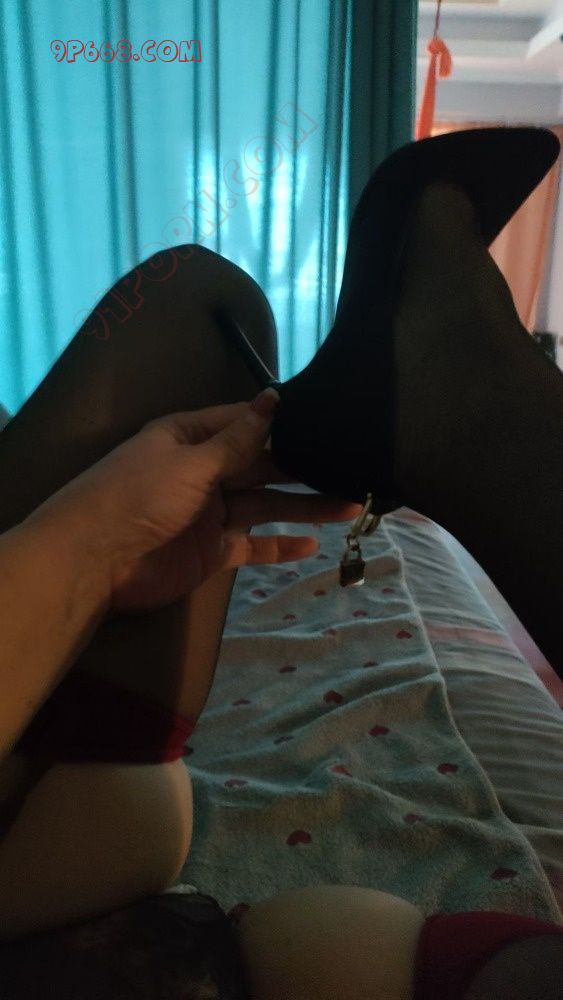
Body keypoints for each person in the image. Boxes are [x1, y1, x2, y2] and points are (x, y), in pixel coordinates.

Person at [0, 179, 562, 998]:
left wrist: (95, 561)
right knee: (198, 310)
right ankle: (466, 423)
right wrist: (87, 546)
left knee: (199, 307)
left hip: (73, 811)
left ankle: (451, 419)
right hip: (90, 824)